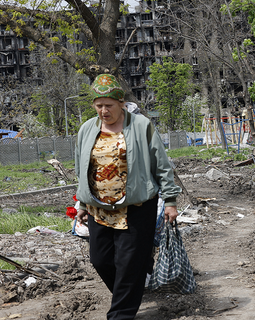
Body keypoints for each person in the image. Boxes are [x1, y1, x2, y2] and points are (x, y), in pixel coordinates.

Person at [75, 74, 182, 320]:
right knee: (100, 260)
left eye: (109, 105)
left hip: (136, 206)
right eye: (99, 105)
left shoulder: (141, 126)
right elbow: (82, 168)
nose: (103, 111)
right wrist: (81, 202)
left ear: (121, 103)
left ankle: (120, 314)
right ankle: (133, 284)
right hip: (99, 208)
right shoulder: (86, 130)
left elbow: (162, 165)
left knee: (128, 263)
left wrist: (171, 201)